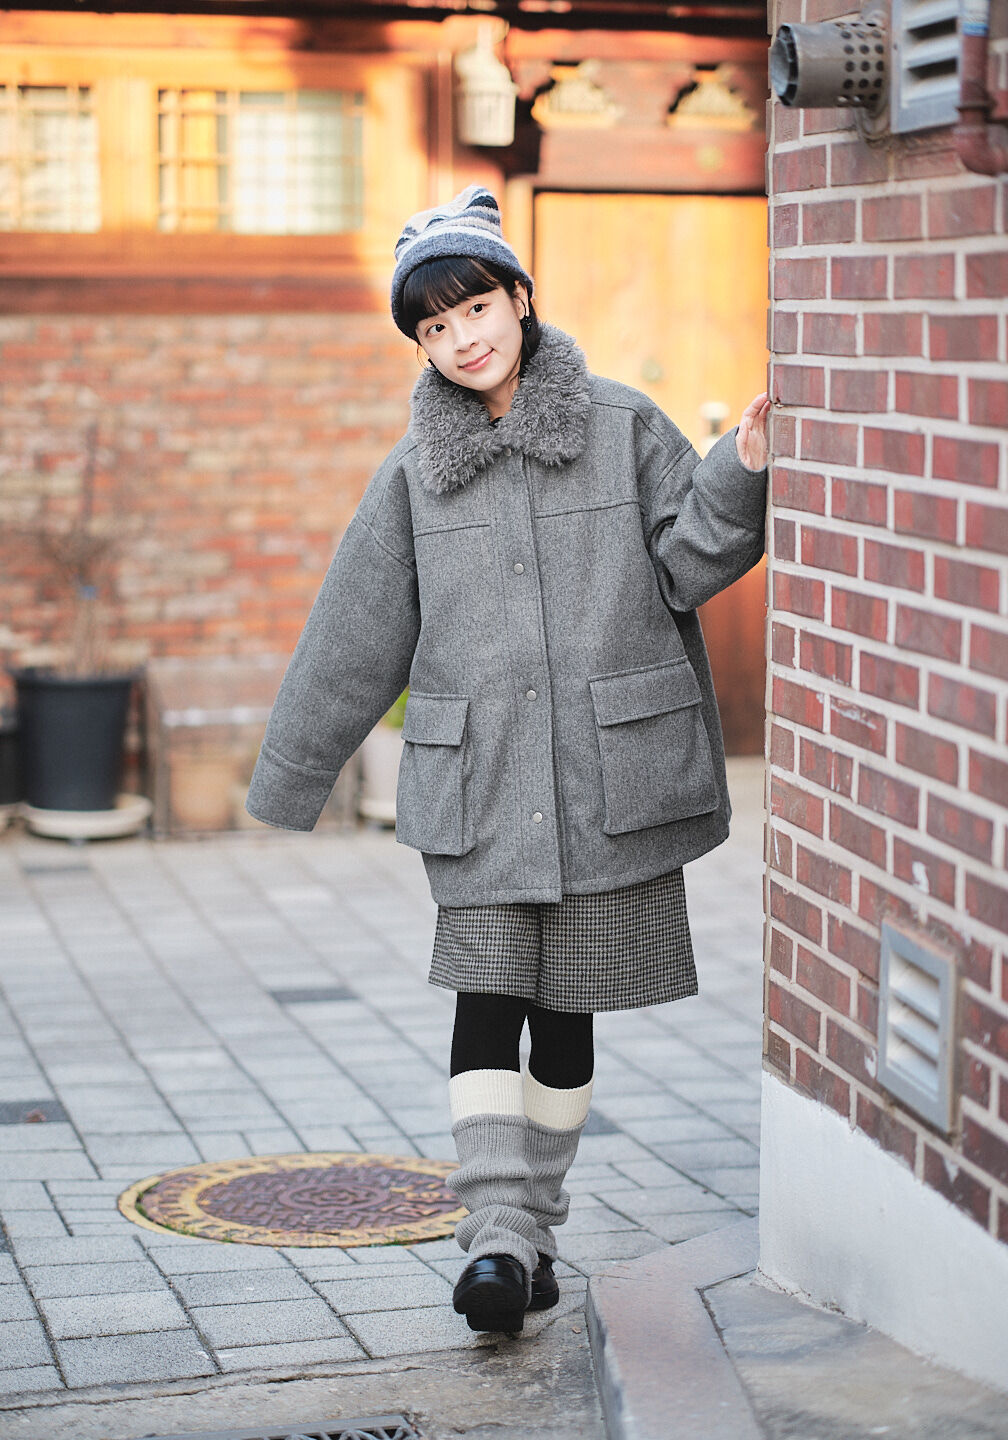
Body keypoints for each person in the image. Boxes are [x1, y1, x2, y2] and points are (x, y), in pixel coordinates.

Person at [245, 183, 770, 1337]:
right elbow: (353, 632)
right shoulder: (415, 472)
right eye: (434, 326)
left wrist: (742, 464)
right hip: (481, 790)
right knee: (487, 1001)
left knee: (567, 1016)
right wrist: (293, 775)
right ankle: (494, 1236)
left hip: (606, 790)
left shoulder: (623, 425)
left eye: (475, 307)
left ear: (520, 298)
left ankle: (533, 1231)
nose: (462, 337)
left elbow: (689, 561)